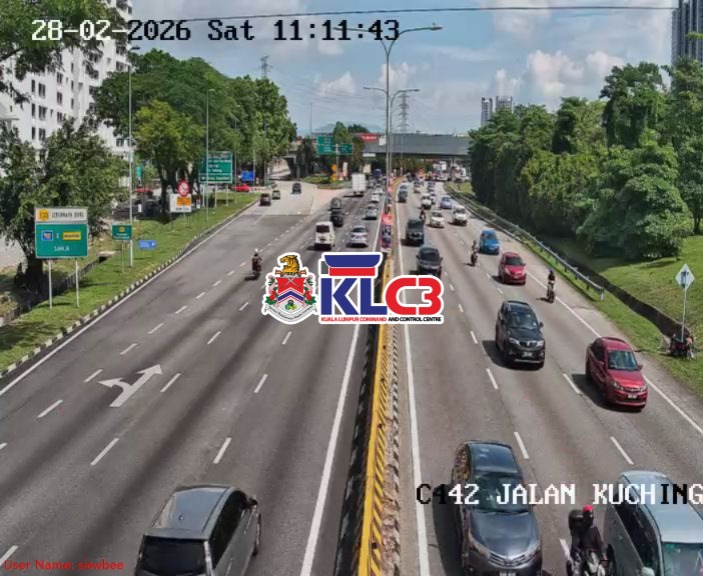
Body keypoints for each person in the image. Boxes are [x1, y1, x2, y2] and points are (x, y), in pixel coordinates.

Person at [570, 506, 606, 576]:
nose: (591, 519)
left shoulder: (594, 528)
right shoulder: (579, 529)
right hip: (581, 553)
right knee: (577, 571)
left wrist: (603, 555)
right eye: (589, 517)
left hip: (592, 555)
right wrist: (581, 552)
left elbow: (599, 542)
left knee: (603, 570)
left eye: (591, 517)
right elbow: (575, 545)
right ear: (585, 517)